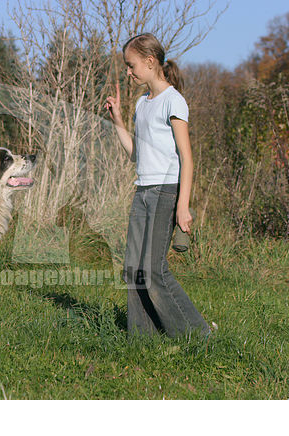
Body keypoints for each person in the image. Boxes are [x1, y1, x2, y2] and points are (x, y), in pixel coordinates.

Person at [105, 33, 210, 338]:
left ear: (150, 62)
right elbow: (137, 154)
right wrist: (118, 121)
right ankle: (143, 338)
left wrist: (183, 205)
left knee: (153, 270)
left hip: (166, 192)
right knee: (134, 271)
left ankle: (197, 334)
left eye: (131, 64)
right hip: (143, 191)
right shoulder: (142, 103)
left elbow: (187, 159)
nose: (128, 71)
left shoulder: (174, 101)